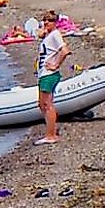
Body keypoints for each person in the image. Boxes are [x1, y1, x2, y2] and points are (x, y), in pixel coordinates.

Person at [32, 14, 70, 145]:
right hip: (43, 74)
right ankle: (50, 131)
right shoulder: (48, 35)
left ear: (55, 22)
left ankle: (51, 135)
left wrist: (56, 65)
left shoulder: (55, 35)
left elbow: (65, 51)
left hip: (49, 74)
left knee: (47, 104)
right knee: (42, 104)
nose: (47, 22)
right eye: (45, 20)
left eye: (50, 20)